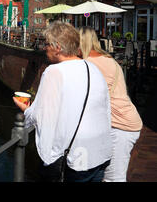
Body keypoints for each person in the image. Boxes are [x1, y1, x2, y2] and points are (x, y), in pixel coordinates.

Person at [13, 21, 112, 182]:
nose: (45, 48)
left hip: (76, 158)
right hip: (100, 151)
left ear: (57, 47)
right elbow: (104, 108)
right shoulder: (91, 67)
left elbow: (41, 116)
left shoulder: (54, 71)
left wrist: (26, 108)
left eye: (47, 44)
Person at [79, 26, 142, 182]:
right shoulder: (108, 59)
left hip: (120, 126)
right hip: (122, 121)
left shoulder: (90, 63)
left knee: (114, 178)